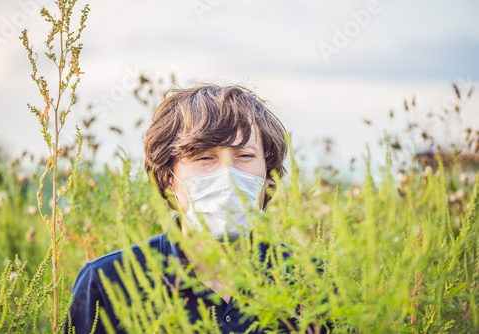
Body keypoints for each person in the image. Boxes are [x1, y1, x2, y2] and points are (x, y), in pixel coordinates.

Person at [65, 85, 324, 333]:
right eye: (204, 157)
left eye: (244, 156)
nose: (228, 175)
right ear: (168, 178)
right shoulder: (108, 283)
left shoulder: (310, 281)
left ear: (269, 177)